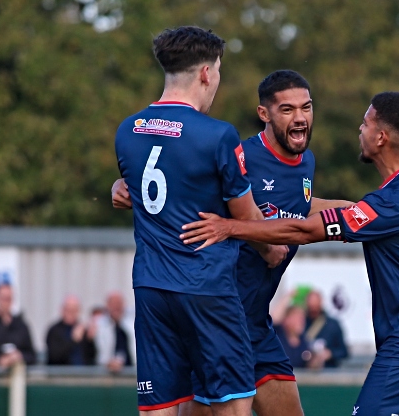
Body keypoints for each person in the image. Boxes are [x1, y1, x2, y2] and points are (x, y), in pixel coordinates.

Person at [181, 92, 399, 416]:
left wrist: (230, 227)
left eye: (365, 124)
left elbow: (304, 231)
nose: (359, 131)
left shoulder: (393, 202)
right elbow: (359, 213)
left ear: (381, 137)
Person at [113, 69, 351, 416]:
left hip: (256, 324)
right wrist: (123, 186)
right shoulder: (242, 156)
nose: (300, 118)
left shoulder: (306, 162)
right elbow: (181, 186)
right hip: (216, 319)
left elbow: (299, 207)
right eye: (287, 110)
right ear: (264, 114)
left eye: (306, 107)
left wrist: (359, 210)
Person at [114, 26, 289, 415]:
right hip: (206, 288)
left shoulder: (128, 130)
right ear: (206, 73)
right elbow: (247, 218)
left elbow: (144, 183)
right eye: (219, 73)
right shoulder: (218, 135)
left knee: (159, 405)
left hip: (150, 287)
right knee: (234, 402)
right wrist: (270, 246)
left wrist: (119, 188)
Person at [0, 283, 36, 367]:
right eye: (4, 298)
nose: (6, 303)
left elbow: (32, 356)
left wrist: (19, 356)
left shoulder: (21, 326)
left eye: (9, 299)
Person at [45, 295, 96, 365]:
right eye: (68, 310)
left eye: (74, 310)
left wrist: (90, 340)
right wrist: (73, 340)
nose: (71, 314)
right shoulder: (54, 331)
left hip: (83, 373)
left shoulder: (82, 330)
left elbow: (91, 356)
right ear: (62, 310)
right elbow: (55, 356)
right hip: (61, 374)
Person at [304, 290, 348, 368]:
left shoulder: (333, 325)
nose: (313, 310)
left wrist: (330, 354)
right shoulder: (300, 323)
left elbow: (344, 352)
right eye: (311, 307)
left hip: (328, 371)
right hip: (304, 371)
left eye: (316, 307)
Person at [93, 291, 135, 373]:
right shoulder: (99, 325)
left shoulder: (133, 324)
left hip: (133, 373)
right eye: (113, 304)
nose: (116, 307)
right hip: (106, 374)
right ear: (107, 306)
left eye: (118, 304)